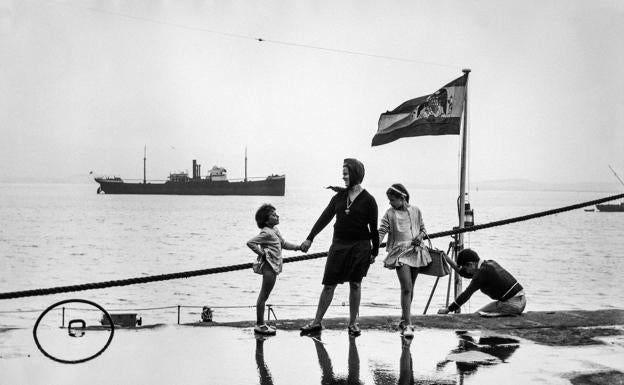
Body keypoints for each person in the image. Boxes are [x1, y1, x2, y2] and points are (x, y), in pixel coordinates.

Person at [299, 158, 379, 337]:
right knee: (329, 284)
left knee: (355, 284)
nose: (343, 177)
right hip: (339, 245)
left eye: (346, 173)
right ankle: (316, 322)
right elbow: (324, 218)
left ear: (355, 174)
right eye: (343, 173)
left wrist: (375, 252)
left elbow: (373, 229)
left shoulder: (369, 200)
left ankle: (353, 324)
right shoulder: (338, 198)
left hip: (360, 246)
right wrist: (309, 238)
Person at [378, 183, 428, 338]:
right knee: (406, 287)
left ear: (403, 197)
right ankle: (408, 323)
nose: (390, 203)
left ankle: (403, 318)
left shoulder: (416, 211)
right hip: (400, 253)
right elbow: (382, 231)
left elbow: (423, 229)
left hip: (416, 251)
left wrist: (419, 236)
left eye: (392, 200)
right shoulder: (390, 214)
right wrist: (373, 248)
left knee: (411, 288)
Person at [247, 204, 301, 335]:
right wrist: (261, 253)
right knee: (263, 296)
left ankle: (262, 323)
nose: (277, 216)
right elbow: (251, 243)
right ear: (266, 220)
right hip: (269, 267)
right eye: (273, 215)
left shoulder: (275, 230)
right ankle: (260, 324)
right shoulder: (266, 232)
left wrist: (298, 247)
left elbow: (283, 244)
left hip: (274, 267)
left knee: (265, 295)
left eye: (276, 214)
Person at [437, 248, 526, 316]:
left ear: (471, 264)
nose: (466, 271)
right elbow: (462, 273)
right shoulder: (487, 264)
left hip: (512, 304)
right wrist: (446, 257)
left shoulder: (482, 273)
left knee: (476, 317)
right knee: (477, 314)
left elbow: (466, 294)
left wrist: (448, 310)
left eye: (466, 268)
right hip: (519, 300)